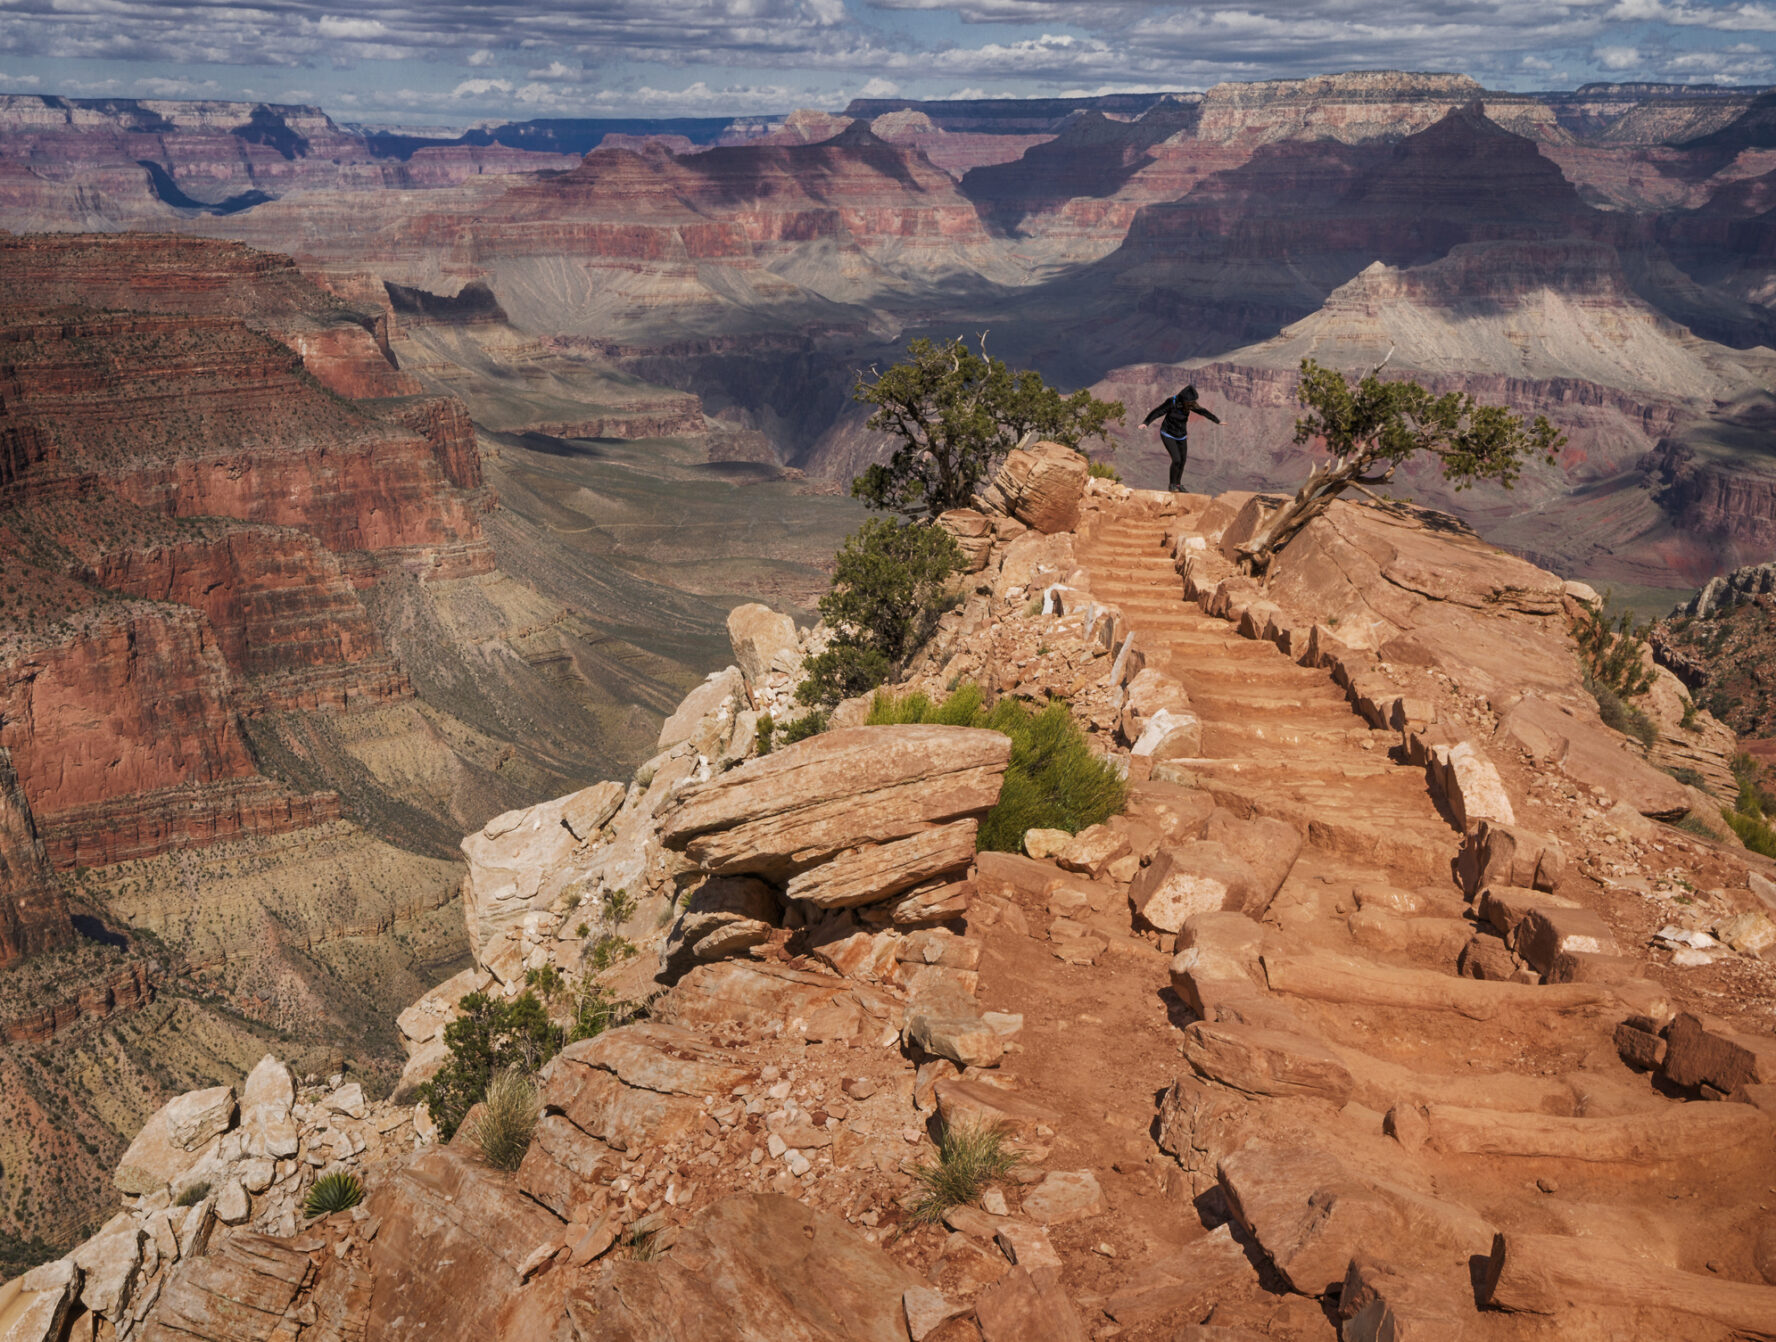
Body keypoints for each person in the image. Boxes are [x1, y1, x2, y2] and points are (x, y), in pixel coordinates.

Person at [1142, 384, 1220, 492]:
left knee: (1183, 461)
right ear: (1184, 400)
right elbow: (1158, 411)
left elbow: (1203, 411)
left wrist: (1217, 421)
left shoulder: (1190, 405)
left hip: (1181, 436)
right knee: (1177, 459)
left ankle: (1178, 485)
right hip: (1168, 434)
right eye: (1190, 402)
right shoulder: (1172, 402)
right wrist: (1146, 422)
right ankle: (1172, 485)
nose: (1192, 404)